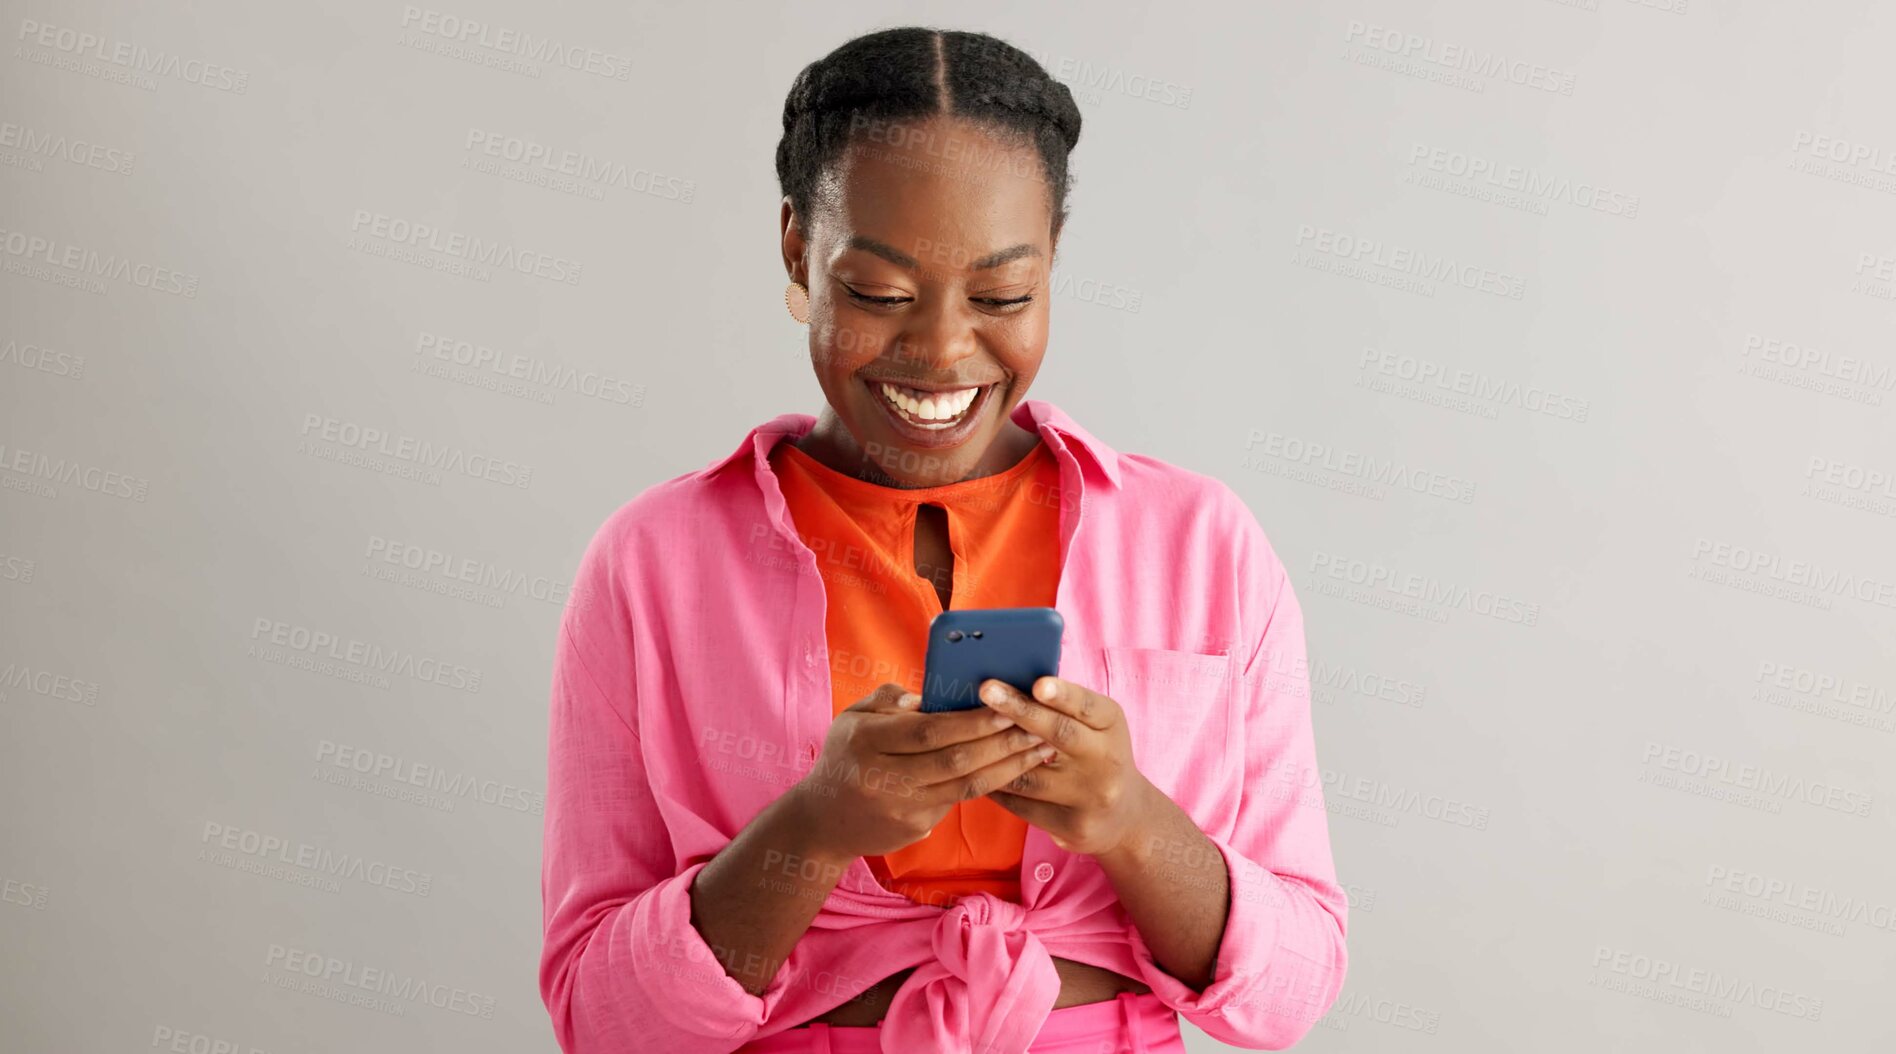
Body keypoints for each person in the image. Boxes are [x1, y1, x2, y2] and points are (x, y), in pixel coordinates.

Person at [539, 26, 1348, 1054]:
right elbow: (601, 1020)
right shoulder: (653, 565)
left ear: (1053, 261)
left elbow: (1292, 992)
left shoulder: (1204, 544)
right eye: (878, 295)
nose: (942, 351)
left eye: (1003, 296)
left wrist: (1134, 821)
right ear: (797, 248)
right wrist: (815, 828)